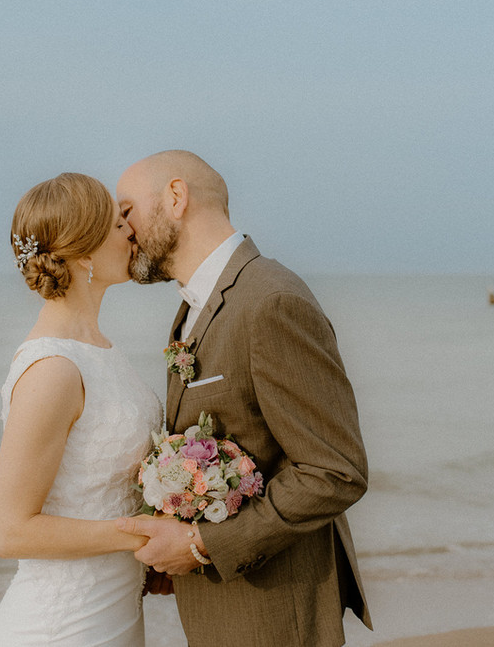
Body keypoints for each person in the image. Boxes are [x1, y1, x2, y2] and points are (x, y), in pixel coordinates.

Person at [114, 150, 372, 646]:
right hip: (225, 610)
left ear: (176, 197)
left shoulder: (271, 301)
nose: (124, 230)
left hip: (273, 618)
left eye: (127, 211)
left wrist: (201, 543)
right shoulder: (194, 308)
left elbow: (335, 471)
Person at [0, 173, 163, 646]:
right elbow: (11, 532)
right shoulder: (53, 370)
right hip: (63, 626)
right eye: (117, 225)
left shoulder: (98, 348)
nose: (131, 232)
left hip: (114, 610)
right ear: (84, 254)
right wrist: (145, 536)